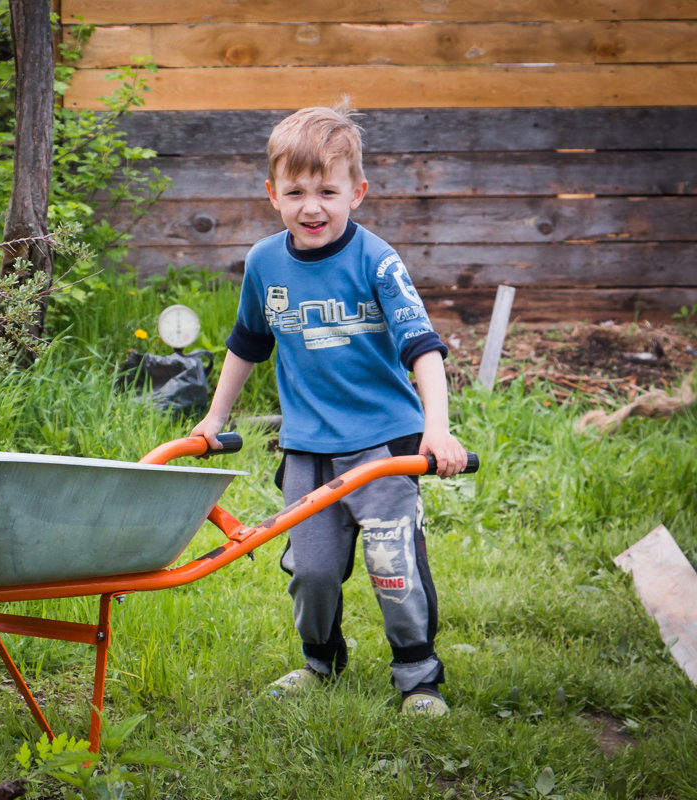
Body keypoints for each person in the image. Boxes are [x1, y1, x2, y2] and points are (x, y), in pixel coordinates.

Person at [190, 103, 468, 716]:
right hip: (307, 446)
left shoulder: (376, 260)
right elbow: (247, 343)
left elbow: (423, 348)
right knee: (311, 571)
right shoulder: (265, 263)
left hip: (385, 442)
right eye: (296, 191)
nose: (311, 206)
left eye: (328, 191)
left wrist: (437, 430)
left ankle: (418, 677)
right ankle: (321, 663)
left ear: (358, 192)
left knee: (393, 566)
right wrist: (214, 419)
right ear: (272, 194)